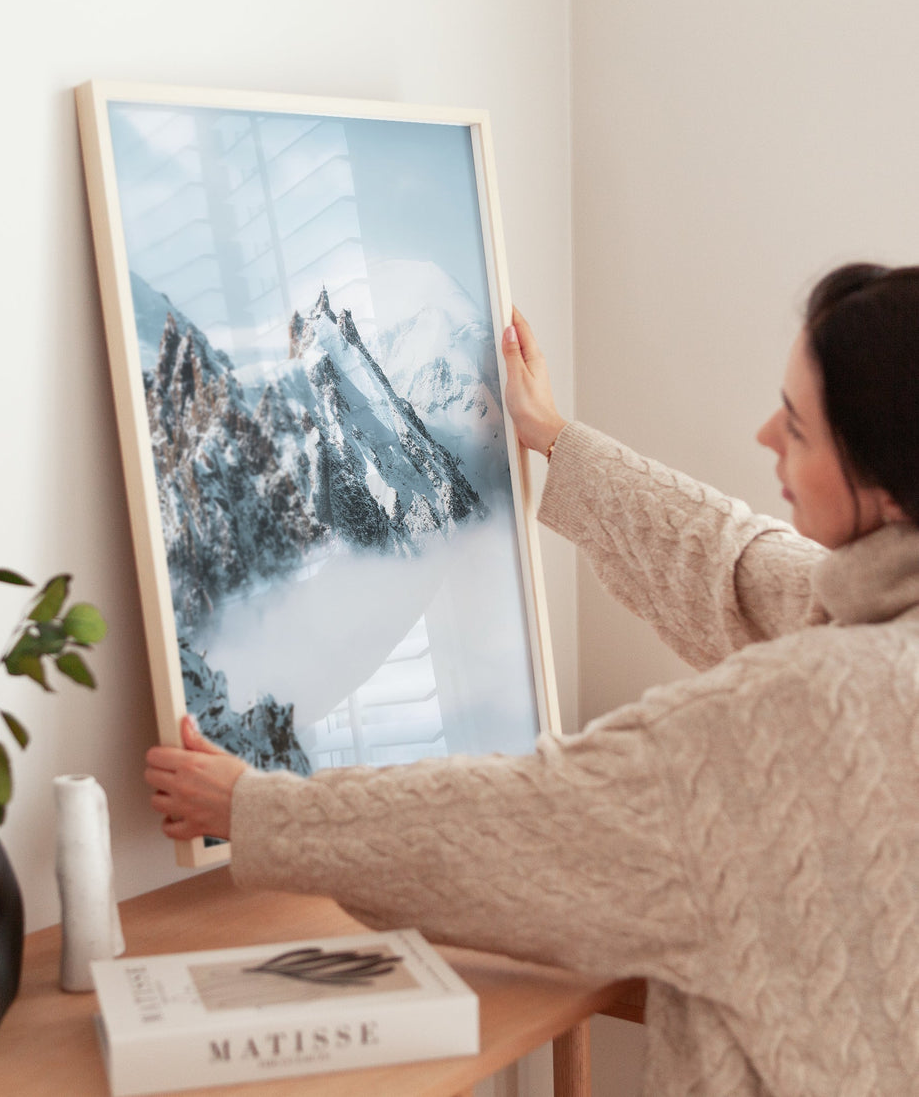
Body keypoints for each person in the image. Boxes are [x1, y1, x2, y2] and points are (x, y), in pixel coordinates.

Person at [144, 263, 919, 1096]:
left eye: (798, 429)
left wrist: (254, 809)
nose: (766, 435)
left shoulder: (796, 715)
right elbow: (738, 568)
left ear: (884, 485)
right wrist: (554, 438)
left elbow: (523, 822)